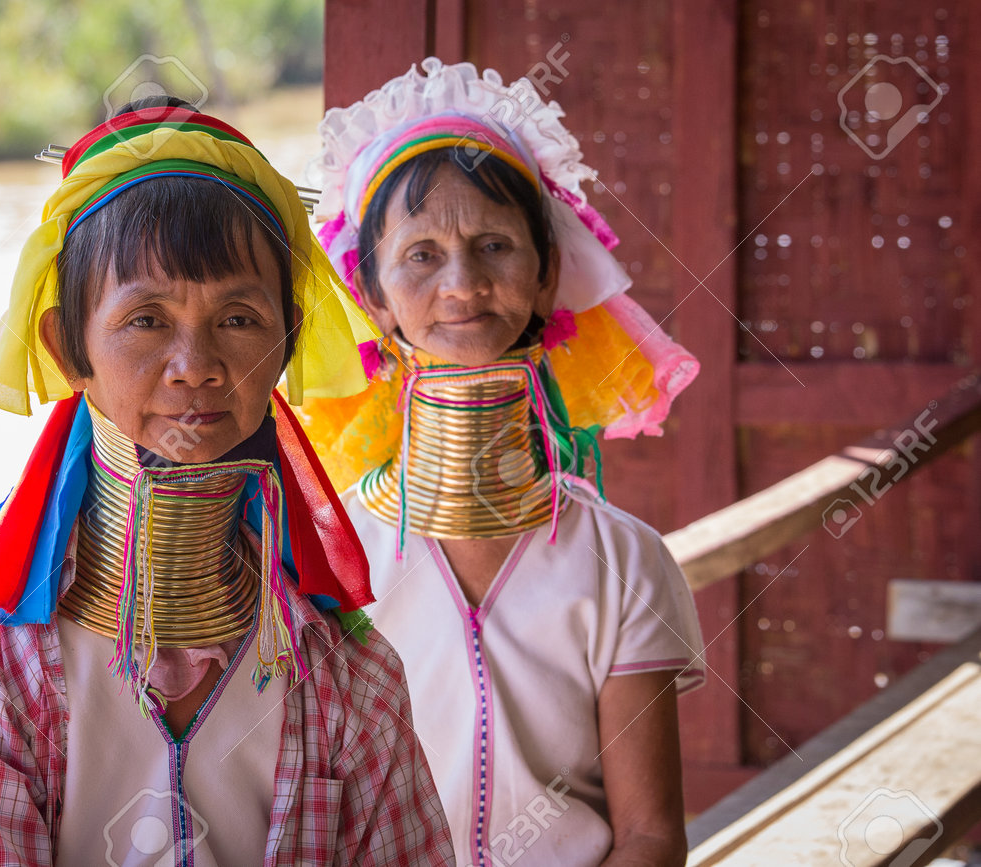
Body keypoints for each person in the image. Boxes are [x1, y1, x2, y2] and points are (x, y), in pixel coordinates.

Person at [0, 99, 454, 866]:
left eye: (238, 319)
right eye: (147, 320)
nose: (197, 365)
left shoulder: (347, 680)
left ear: (286, 341)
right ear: (67, 347)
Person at [298, 58, 706, 867]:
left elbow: (652, 835)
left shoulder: (623, 562)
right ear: (370, 293)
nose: (464, 284)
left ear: (547, 273)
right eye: (420, 255)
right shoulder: (331, 561)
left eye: (494, 244)